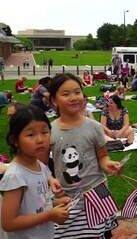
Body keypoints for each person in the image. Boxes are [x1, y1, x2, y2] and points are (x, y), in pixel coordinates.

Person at [46, 73, 121, 238]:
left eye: (77, 92)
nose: (73, 98)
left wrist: (108, 164)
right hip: (66, 198)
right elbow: (41, 165)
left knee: (99, 234)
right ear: (53, 100)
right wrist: (50, 180)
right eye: (65, 94)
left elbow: (102, 157)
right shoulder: (49, 131)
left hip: (97, 193)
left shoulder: (94, 127)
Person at [0, 105, 69, 238]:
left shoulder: (39, 165)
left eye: (45, 132)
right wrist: (49, 215)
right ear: (15, 141)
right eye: (31, 134)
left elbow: (35, 204)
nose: (40, 139)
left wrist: (55, 202)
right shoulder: (15, 177)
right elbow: (9, 223)